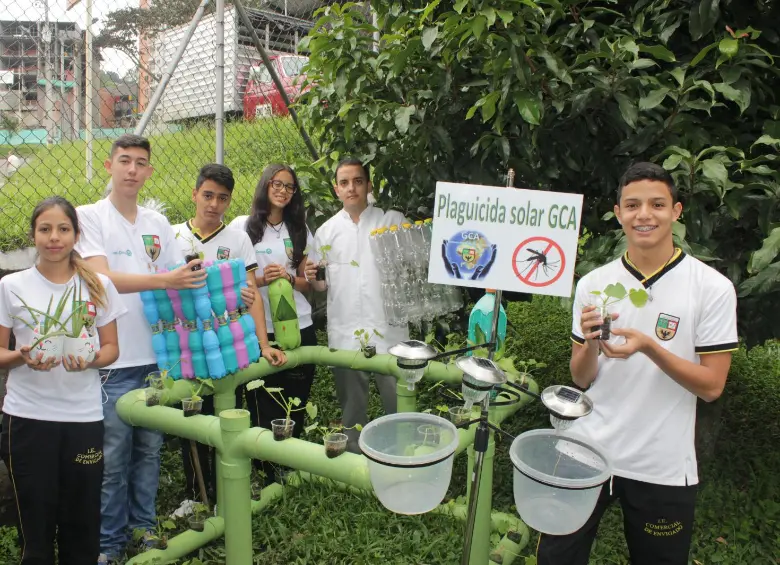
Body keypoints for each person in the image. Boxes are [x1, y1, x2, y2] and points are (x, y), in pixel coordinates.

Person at [537, 162, 738, 565]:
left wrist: (648, 346)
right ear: (618, 213)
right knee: (556, 558)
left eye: (657, 204)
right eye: (632, 205)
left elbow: (712, 386)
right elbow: (581, 378)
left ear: (676, 211)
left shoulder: (711, 288)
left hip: (661, 463)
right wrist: (590, 343)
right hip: (585, 449)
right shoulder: (594, 283)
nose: (644, 215)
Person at [74, 134, 207, 564]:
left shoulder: (157, 223)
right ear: (110, 165)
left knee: (149, 451)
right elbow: (102, 280)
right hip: (113, 361)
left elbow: (175, 276)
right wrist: (166, 280)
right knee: (112, 460)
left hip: (156, 359)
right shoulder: (88, 217)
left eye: (141, 163)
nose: (132, 169)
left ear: (149, 172)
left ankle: (145, 530)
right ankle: (109, 545)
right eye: (125, 161)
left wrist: (205, 287)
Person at [0, 196, 126, 565]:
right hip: (27, 420)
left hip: (83, 420)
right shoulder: (11, 286)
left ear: (76, 235)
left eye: (63, 229)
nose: (54, 237)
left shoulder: (98, 285)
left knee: (82, 527)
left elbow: (111, 349)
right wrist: (21, 357)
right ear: (33, 235)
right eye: (45, 229)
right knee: (35, 531)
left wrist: (89, 361)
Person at [172, 163, 286, 506]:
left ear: (229, 201)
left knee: (226, 416)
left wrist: (264, 344)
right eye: (207, 195)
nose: (213, 204)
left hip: (226, 347)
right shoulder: (174, 236)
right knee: (191, 422)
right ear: (194, 195)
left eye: (222, 198)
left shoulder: (237, 240)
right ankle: (195, 495)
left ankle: (225, 493)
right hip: (187, 344)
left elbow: (251, 294)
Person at [306, 157, 410, 453]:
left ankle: (402, 451)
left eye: (357, 181)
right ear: (336, 190)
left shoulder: (392, 221)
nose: (351, 188)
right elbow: (321, 286)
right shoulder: (326, 231)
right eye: (344, 183)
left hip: (388, 327)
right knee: (351, 403)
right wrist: (312, 277)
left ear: (368, 185)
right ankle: (353, 453)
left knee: (397, 397)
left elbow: (413, 266)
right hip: (346, 329)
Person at [230, 163, 318, 484]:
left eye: (289, 187)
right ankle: (265, 465)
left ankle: (289, 455)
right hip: (260, 324)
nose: (282, 191)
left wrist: (289, 278)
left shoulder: (301, 230)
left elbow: (307, 283)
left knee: (297, 391)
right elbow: (237, 278)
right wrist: (261, 281)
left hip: (299, 322)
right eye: (277, 184)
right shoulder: (243, 227)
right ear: (265, 185)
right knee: (263, 395)